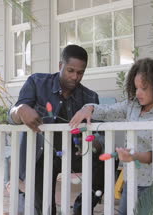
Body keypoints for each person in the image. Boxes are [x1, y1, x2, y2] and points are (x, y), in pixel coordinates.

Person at [69, 58, 153, 215]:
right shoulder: (131, 107)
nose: (138, 93)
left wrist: (134, 156)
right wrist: (88, 108)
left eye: (144, 88)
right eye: (136, 88)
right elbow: (108, 110)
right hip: (131, 181)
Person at [8, 44, 105, 214]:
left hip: (74, 155)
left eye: (80, 72)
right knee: (43, 210)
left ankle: (81, 209)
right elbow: (12, 116)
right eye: (70, 70)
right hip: (40, 157)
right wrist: (22, 109)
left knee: (109, 158)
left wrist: (93, 143)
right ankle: (27, 198)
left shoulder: (90, 97)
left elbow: (100, 137)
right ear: (60, 66)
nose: (75, 77)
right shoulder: (37, 82)